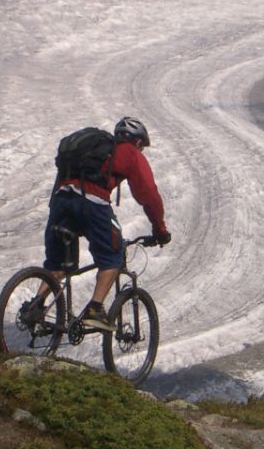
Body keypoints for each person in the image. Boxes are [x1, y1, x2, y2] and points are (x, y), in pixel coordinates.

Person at [41, 116, 171, 331]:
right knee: (113, 255)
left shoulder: (92, 152)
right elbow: (149, 195)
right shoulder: (129, 152)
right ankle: (94, 309)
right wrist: (160, 230)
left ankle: (35, 309)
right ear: (138, 141)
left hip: (60, 200)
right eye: (142, 146)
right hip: (91, 202)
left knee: (58, 266)